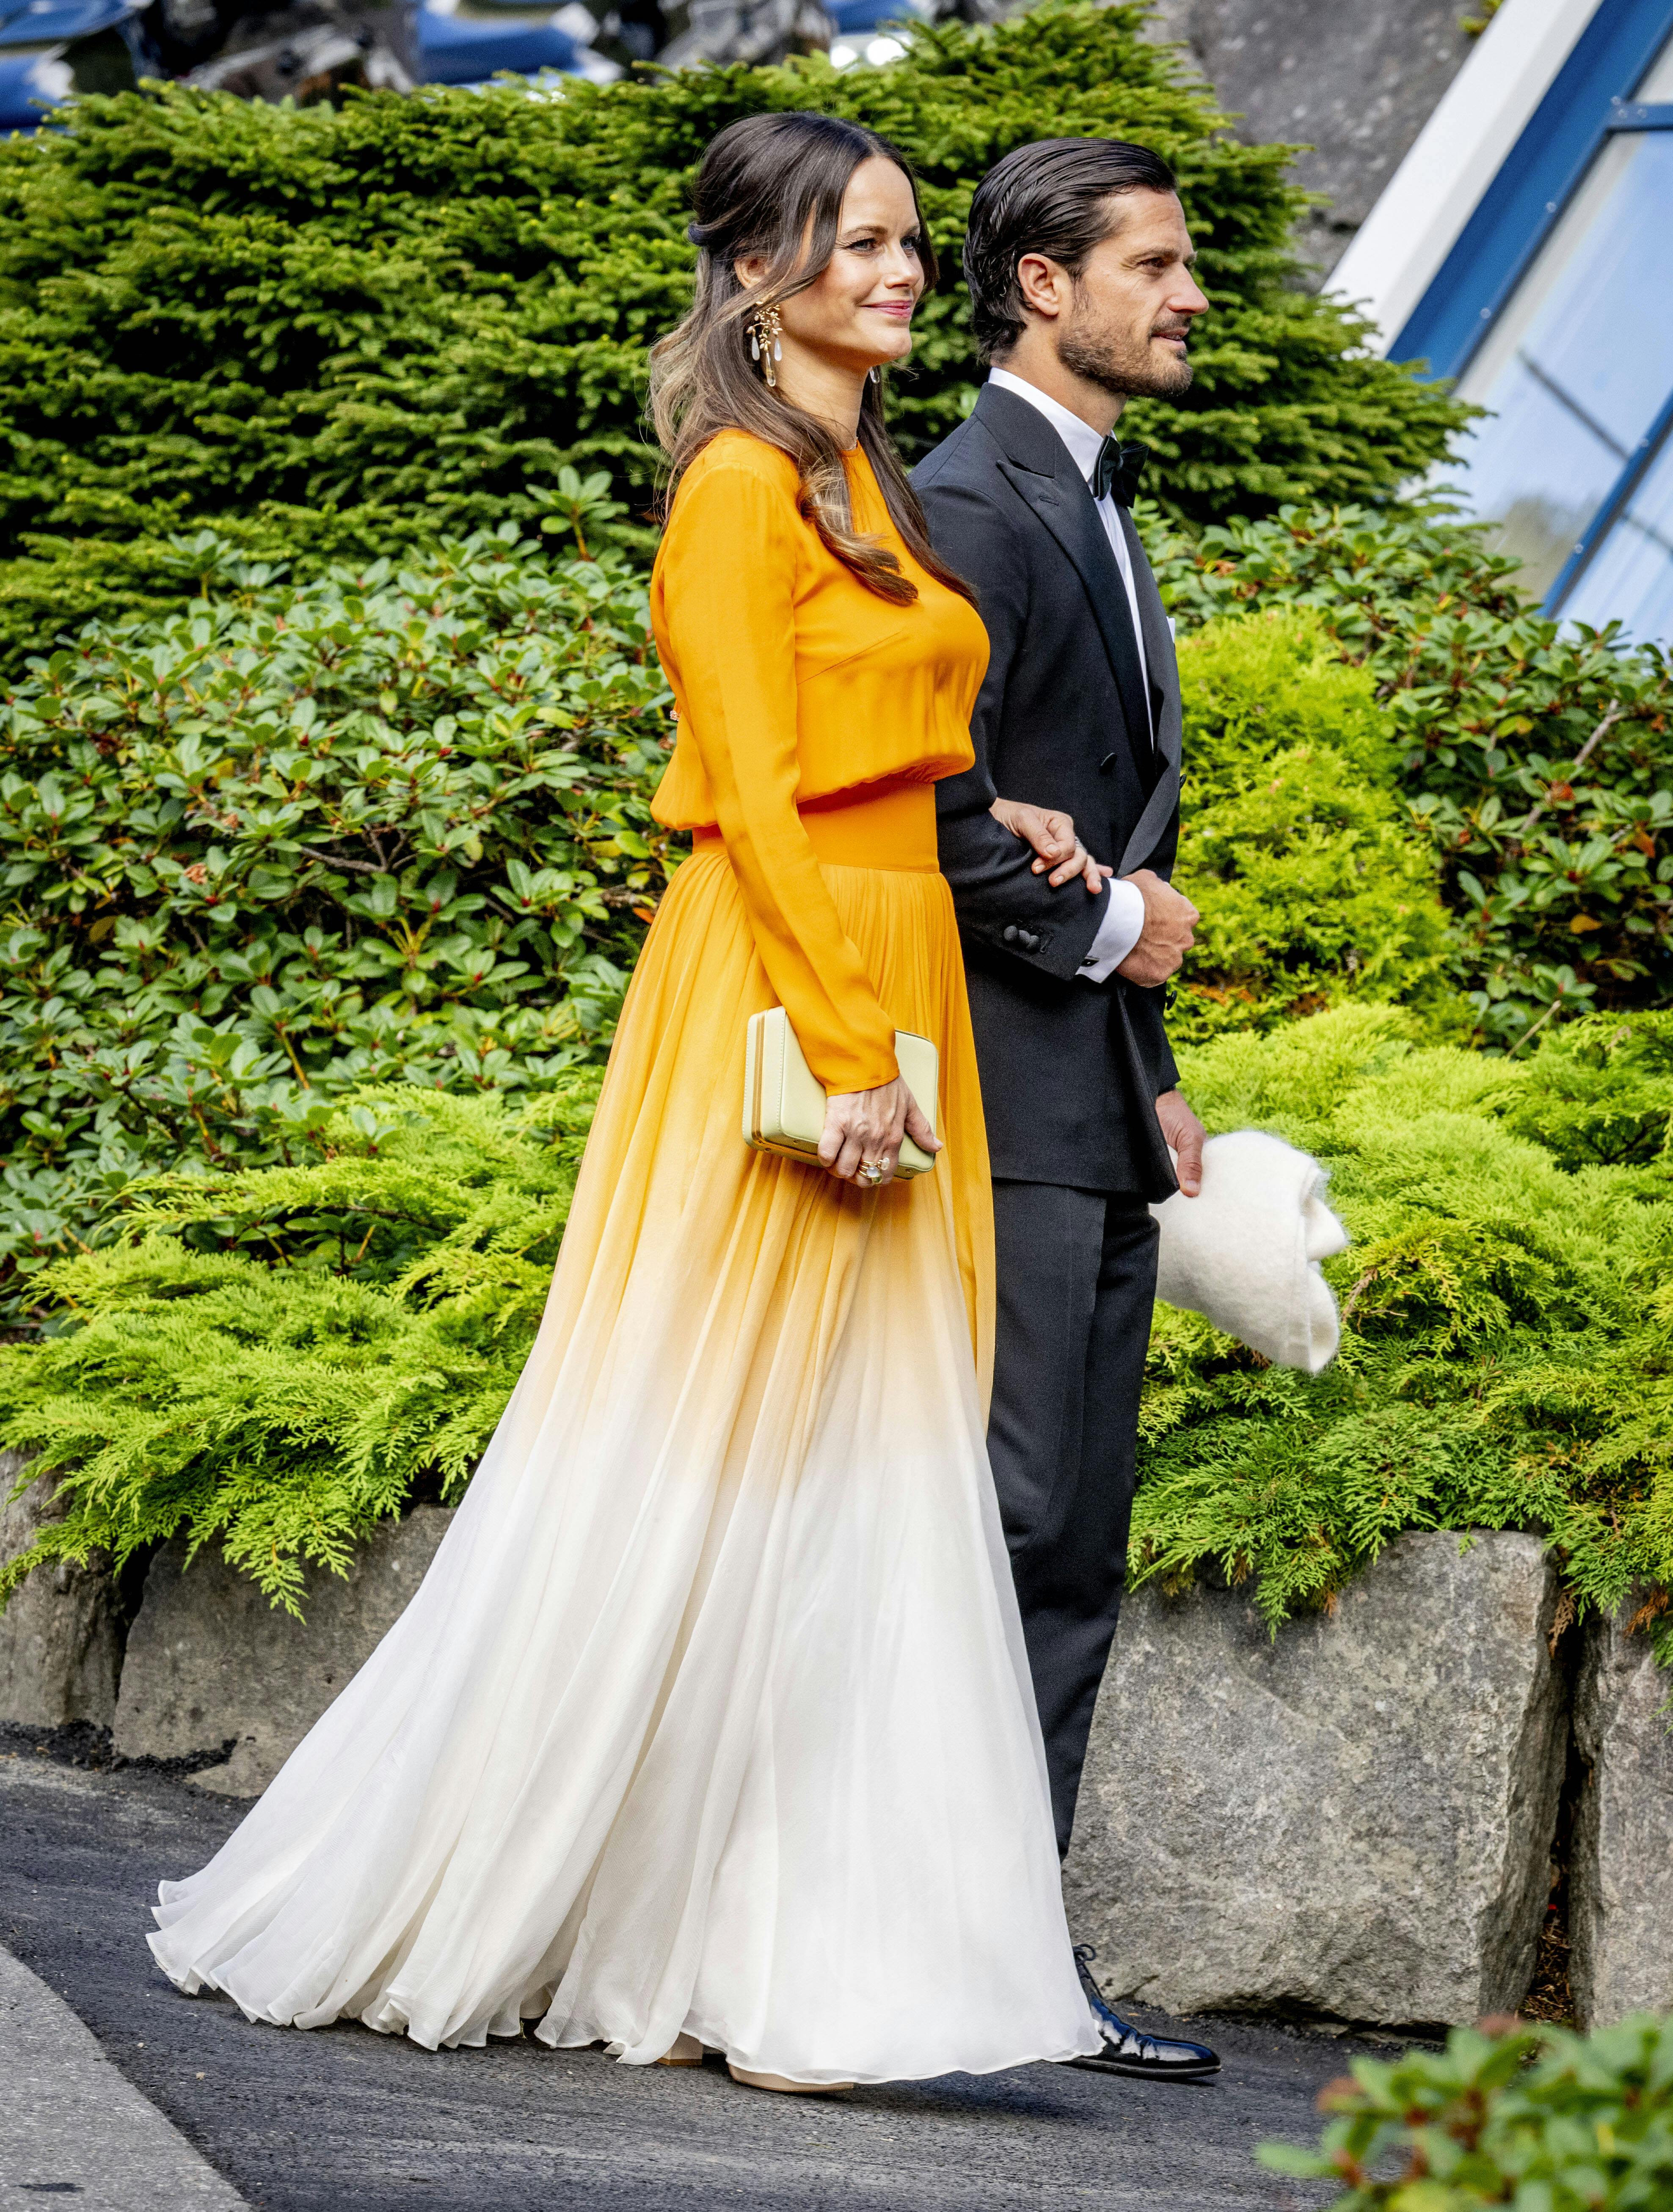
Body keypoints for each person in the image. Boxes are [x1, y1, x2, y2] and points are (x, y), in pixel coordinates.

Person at [145, 111, 1103, 2095]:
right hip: (785, 979)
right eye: (856, 244)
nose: (898, 271)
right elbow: (746, 786)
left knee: (854, 1476)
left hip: (891, 943)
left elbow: (870, 734)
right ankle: (580, 1899)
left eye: (909, 242)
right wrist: (842, 1049)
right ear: (758, 272)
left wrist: (982, 805)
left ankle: (761, 1934)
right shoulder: (745, 485)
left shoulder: (865, 475)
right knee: (711, 1455)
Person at [913, 136, 1221, 2082]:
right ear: (1043, 282)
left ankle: (1010, 1951)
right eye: (1157, 264)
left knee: (1068, 1544)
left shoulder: (1085, 494)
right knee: (1008, 1529)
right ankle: (963, 1956)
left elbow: (1084, 792)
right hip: (998, 1103)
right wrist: (1117, 926)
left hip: (1086, 1102)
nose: (1190, 295)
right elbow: (936, 814)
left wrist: (1158, 1073)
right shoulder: (969, 498)